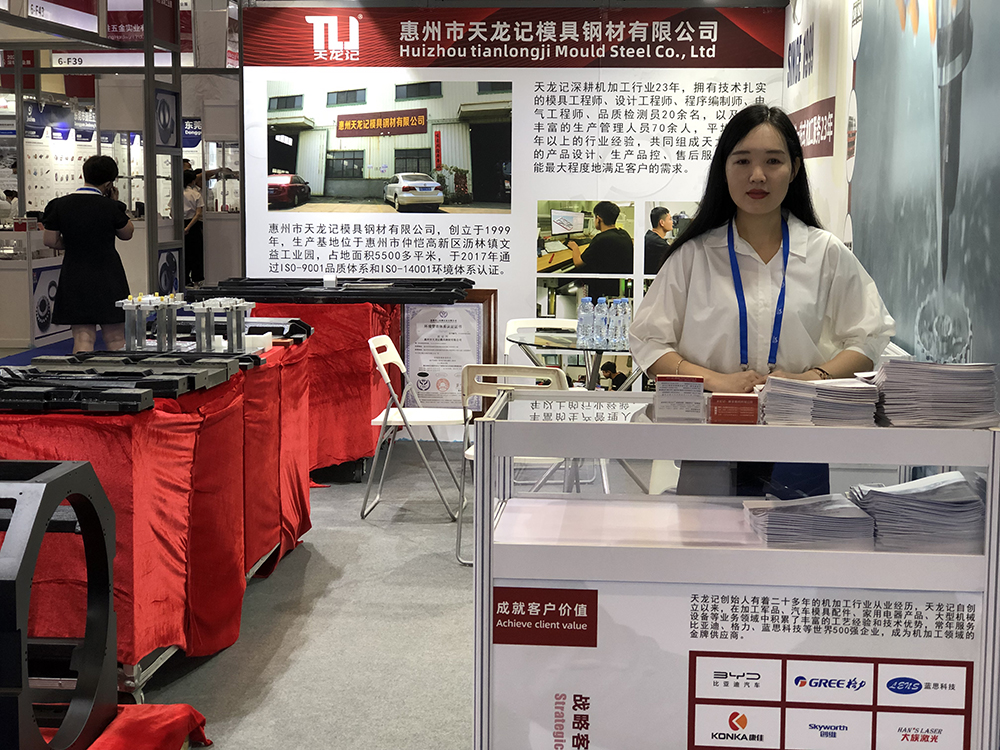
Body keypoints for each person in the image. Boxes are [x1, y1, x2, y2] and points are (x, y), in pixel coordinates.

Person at [629, 104, 895, 496]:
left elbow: (870, 337)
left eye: (773, 160)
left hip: (800, 436)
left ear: (795, 168)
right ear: (724, 168)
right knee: (706, 533)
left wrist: (810, 379)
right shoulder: (694, 256)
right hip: (710, 436)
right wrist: (716, 381)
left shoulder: (825, 253)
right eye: (742, 161)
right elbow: (649, 342)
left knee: (796, 533)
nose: (757, 175)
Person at [41, 155, 134, 353]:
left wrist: (74, 243)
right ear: (109, 184)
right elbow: (127, 234)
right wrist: (115, 204)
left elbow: (49, 240)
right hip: (108, 273)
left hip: (74, 272)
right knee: (116, 338)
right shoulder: (111, 206)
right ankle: (119, 372)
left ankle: (82, 372)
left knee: (83, 337)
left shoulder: (59, 205)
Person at [568, 200, 633, 299]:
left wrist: (575, 247)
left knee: (570, 273)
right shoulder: (624, 234)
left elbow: (578, 263)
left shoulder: (601, 239)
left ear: (598, 219)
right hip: (618, 285)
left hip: (602, 286)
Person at [183, 169, 205, 286]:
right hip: (194, 225)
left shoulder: (178, 193)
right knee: (196, 254)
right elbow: (198, 214)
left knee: (184, 254)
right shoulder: (196, 194)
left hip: (181, 224)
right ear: (192, 181)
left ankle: (185, 279)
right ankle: (197, 280)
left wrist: (184, 227)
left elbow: (172, 212)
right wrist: (189, 227)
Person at [644, 206, 672, 274]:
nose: (672, 222)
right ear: (662, 223)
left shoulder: (650, 237)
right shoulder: (657, 243)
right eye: (670, 219)